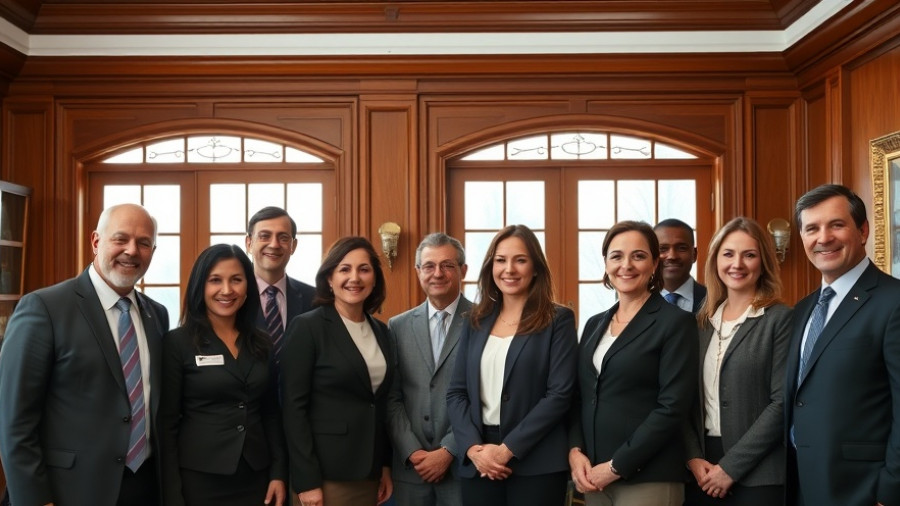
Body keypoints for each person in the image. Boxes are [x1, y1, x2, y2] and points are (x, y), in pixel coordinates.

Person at [0, 203, 169, 506]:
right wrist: (35, 500)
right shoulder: (44, 308)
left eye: (144, 243)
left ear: (153, 251)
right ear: (95, 242)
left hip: (144, 489)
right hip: (67, 492)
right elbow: (13, 419)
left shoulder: (157, 315)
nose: (132, 250)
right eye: (120, 239)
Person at [568, 220, 698, 506]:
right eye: (617, 256)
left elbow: (672, 407)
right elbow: (580, 395)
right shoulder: (593, 325)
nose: (626, 265)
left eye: (638, 256)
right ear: (606, 263)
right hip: (593, 477)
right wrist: (575, 451)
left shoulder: (676, 323)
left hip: (649, 476)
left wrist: (617, 466)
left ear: (654, 264)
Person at [446, 224, 578, 506]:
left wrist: (507, 450)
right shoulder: (475, 320)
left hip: (536, 459)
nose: (509, 269)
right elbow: (457, 393)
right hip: (479, 458)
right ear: (490, 267)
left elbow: (559, 395)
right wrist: (472, 449)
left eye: (520, 260)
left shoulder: (558, 320)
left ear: (536, 268)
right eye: (501, 260)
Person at [785, 184, 900, 506]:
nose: (823, 238)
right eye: (812, 229)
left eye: (836, 224)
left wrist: (890, 493)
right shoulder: (803, 309)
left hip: (863, 491)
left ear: (862, 231)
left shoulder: (893, 302)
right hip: (801, 485)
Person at [159, 244, 287, 506]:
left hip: (256, 477)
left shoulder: (262, 343)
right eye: (215, 280)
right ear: (200, 286)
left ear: (248, 286)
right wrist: (172, 494)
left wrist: (278, 473)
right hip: (200, 479)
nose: (227, 290)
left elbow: (271, 413)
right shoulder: (177, 343)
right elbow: (167, 424)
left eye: (236, 280)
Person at [683, 217, 791, 505]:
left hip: (759, 472)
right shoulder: (701, 324)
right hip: (701, 469)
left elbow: (781, 403)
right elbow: (684, 400)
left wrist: (731, 467)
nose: (737, 264)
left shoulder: (779, 320)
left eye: (749, 255)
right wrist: (693, 456)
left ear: (764, 262)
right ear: (715, 260)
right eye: (728, 254)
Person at [281, 236, 394, 506]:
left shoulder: (382, 331)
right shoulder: (307, 328)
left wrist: (385, 467)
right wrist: (306, 482)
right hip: (325, 476)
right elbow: (293, 408)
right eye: (344, 269)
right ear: (329, 279)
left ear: (375, 278)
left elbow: (381, 405)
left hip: (370, 474)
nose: (354, 277)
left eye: (364, 269)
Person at [387, 233, 472, 506]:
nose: (437, 273)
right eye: (429, 266)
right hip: (411, 471)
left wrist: (449, 449)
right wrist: (411, 450)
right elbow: (392, 396)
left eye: (447, 265)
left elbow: (486, 397)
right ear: (417, 271)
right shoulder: (397, 326)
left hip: (462, 467)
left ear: (463, 271)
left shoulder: (485, 322)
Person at [246, 206, 317, 361]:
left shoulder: (314, 299)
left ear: (293, 246)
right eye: (264, 236)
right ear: (249, 243)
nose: (274, 244)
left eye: (283, 238)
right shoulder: (233, 296)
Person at [654, 218, 707, 313]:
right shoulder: (638, 303)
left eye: (681, 248)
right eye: (663, 249)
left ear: (694, 254)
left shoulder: (715, 302)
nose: (672, 256)